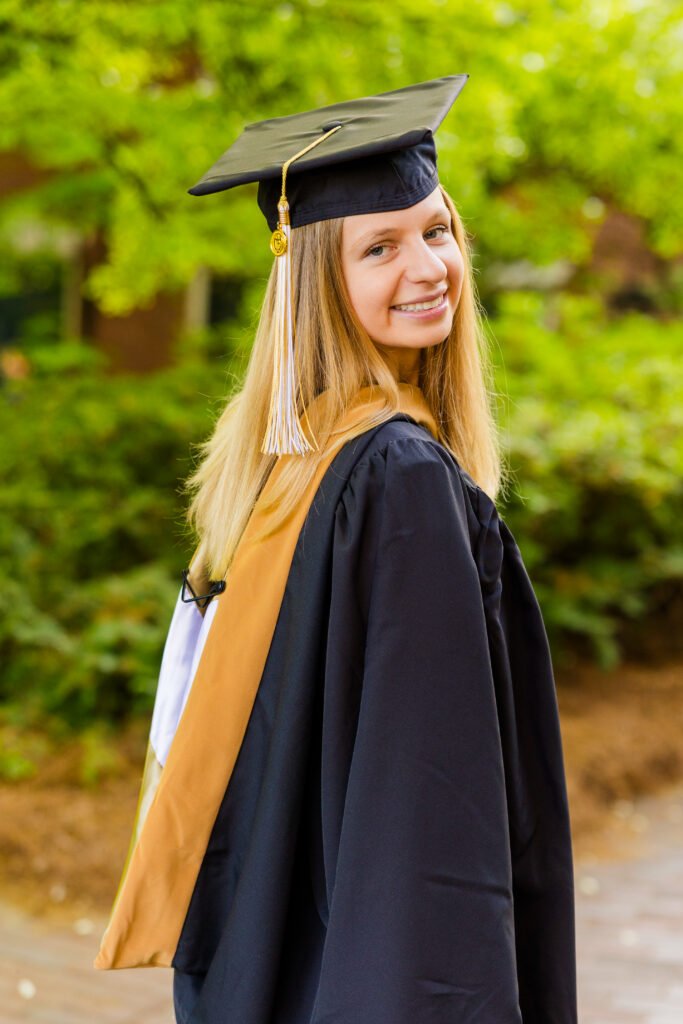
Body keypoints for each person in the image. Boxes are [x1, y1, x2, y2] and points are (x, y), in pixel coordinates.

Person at [94, 76, 578, 1024]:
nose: (428, 265)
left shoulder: (303, 456)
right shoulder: (397, 476)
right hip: (365, 969)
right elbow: (426, 805)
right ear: (318, 277)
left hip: (285, 953)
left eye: (436, 231)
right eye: (380, 247)